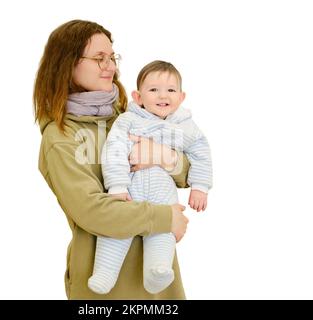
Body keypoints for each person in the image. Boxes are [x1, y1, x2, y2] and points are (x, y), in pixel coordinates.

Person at [33, 20, 191, 299]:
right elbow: (91, 210)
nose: (111, 67)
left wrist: (163, 157)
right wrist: (165, 218)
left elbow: (186, 173)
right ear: (67, 63)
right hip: (106, 289)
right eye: (99, 58)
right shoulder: (61, 138)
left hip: (158, 281)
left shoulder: (129, 117)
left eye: (112, 57)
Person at [89, 61, 213, 295]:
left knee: (163, 228)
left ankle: (157, 270)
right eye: (154, 90)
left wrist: (200, 186)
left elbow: (201, 153)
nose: (162, 96)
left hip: (162, 191)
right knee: (118, 226)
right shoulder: (128, 120)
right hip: (131, 185)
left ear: (182, 96)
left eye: (171, 90)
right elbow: (114, 150)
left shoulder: (186, 126)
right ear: (138, 96)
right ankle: (104, 272)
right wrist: (116, 185)